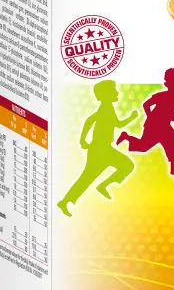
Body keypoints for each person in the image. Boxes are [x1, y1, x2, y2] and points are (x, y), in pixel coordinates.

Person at [57, 80, 137, 217]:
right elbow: (109, 123)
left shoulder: (107, 107)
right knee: (88, 177)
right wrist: (132, 117)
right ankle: (66, 201)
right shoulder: (106, 108)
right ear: (106, 94)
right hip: (99, 149)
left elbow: (94, 120)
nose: (117, 92)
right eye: (114, 90)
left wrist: (83, 139)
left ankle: (102, 186)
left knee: (126, 165)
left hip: (104, 149)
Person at [117, 68, 174, 176]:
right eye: (172, 83)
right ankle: (126, 136)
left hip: (165, 127)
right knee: (143, 147)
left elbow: (168, 115)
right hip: (153, 126)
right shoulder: (161, 96)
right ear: (166, 83)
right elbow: (146, 104)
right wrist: (151, 117)